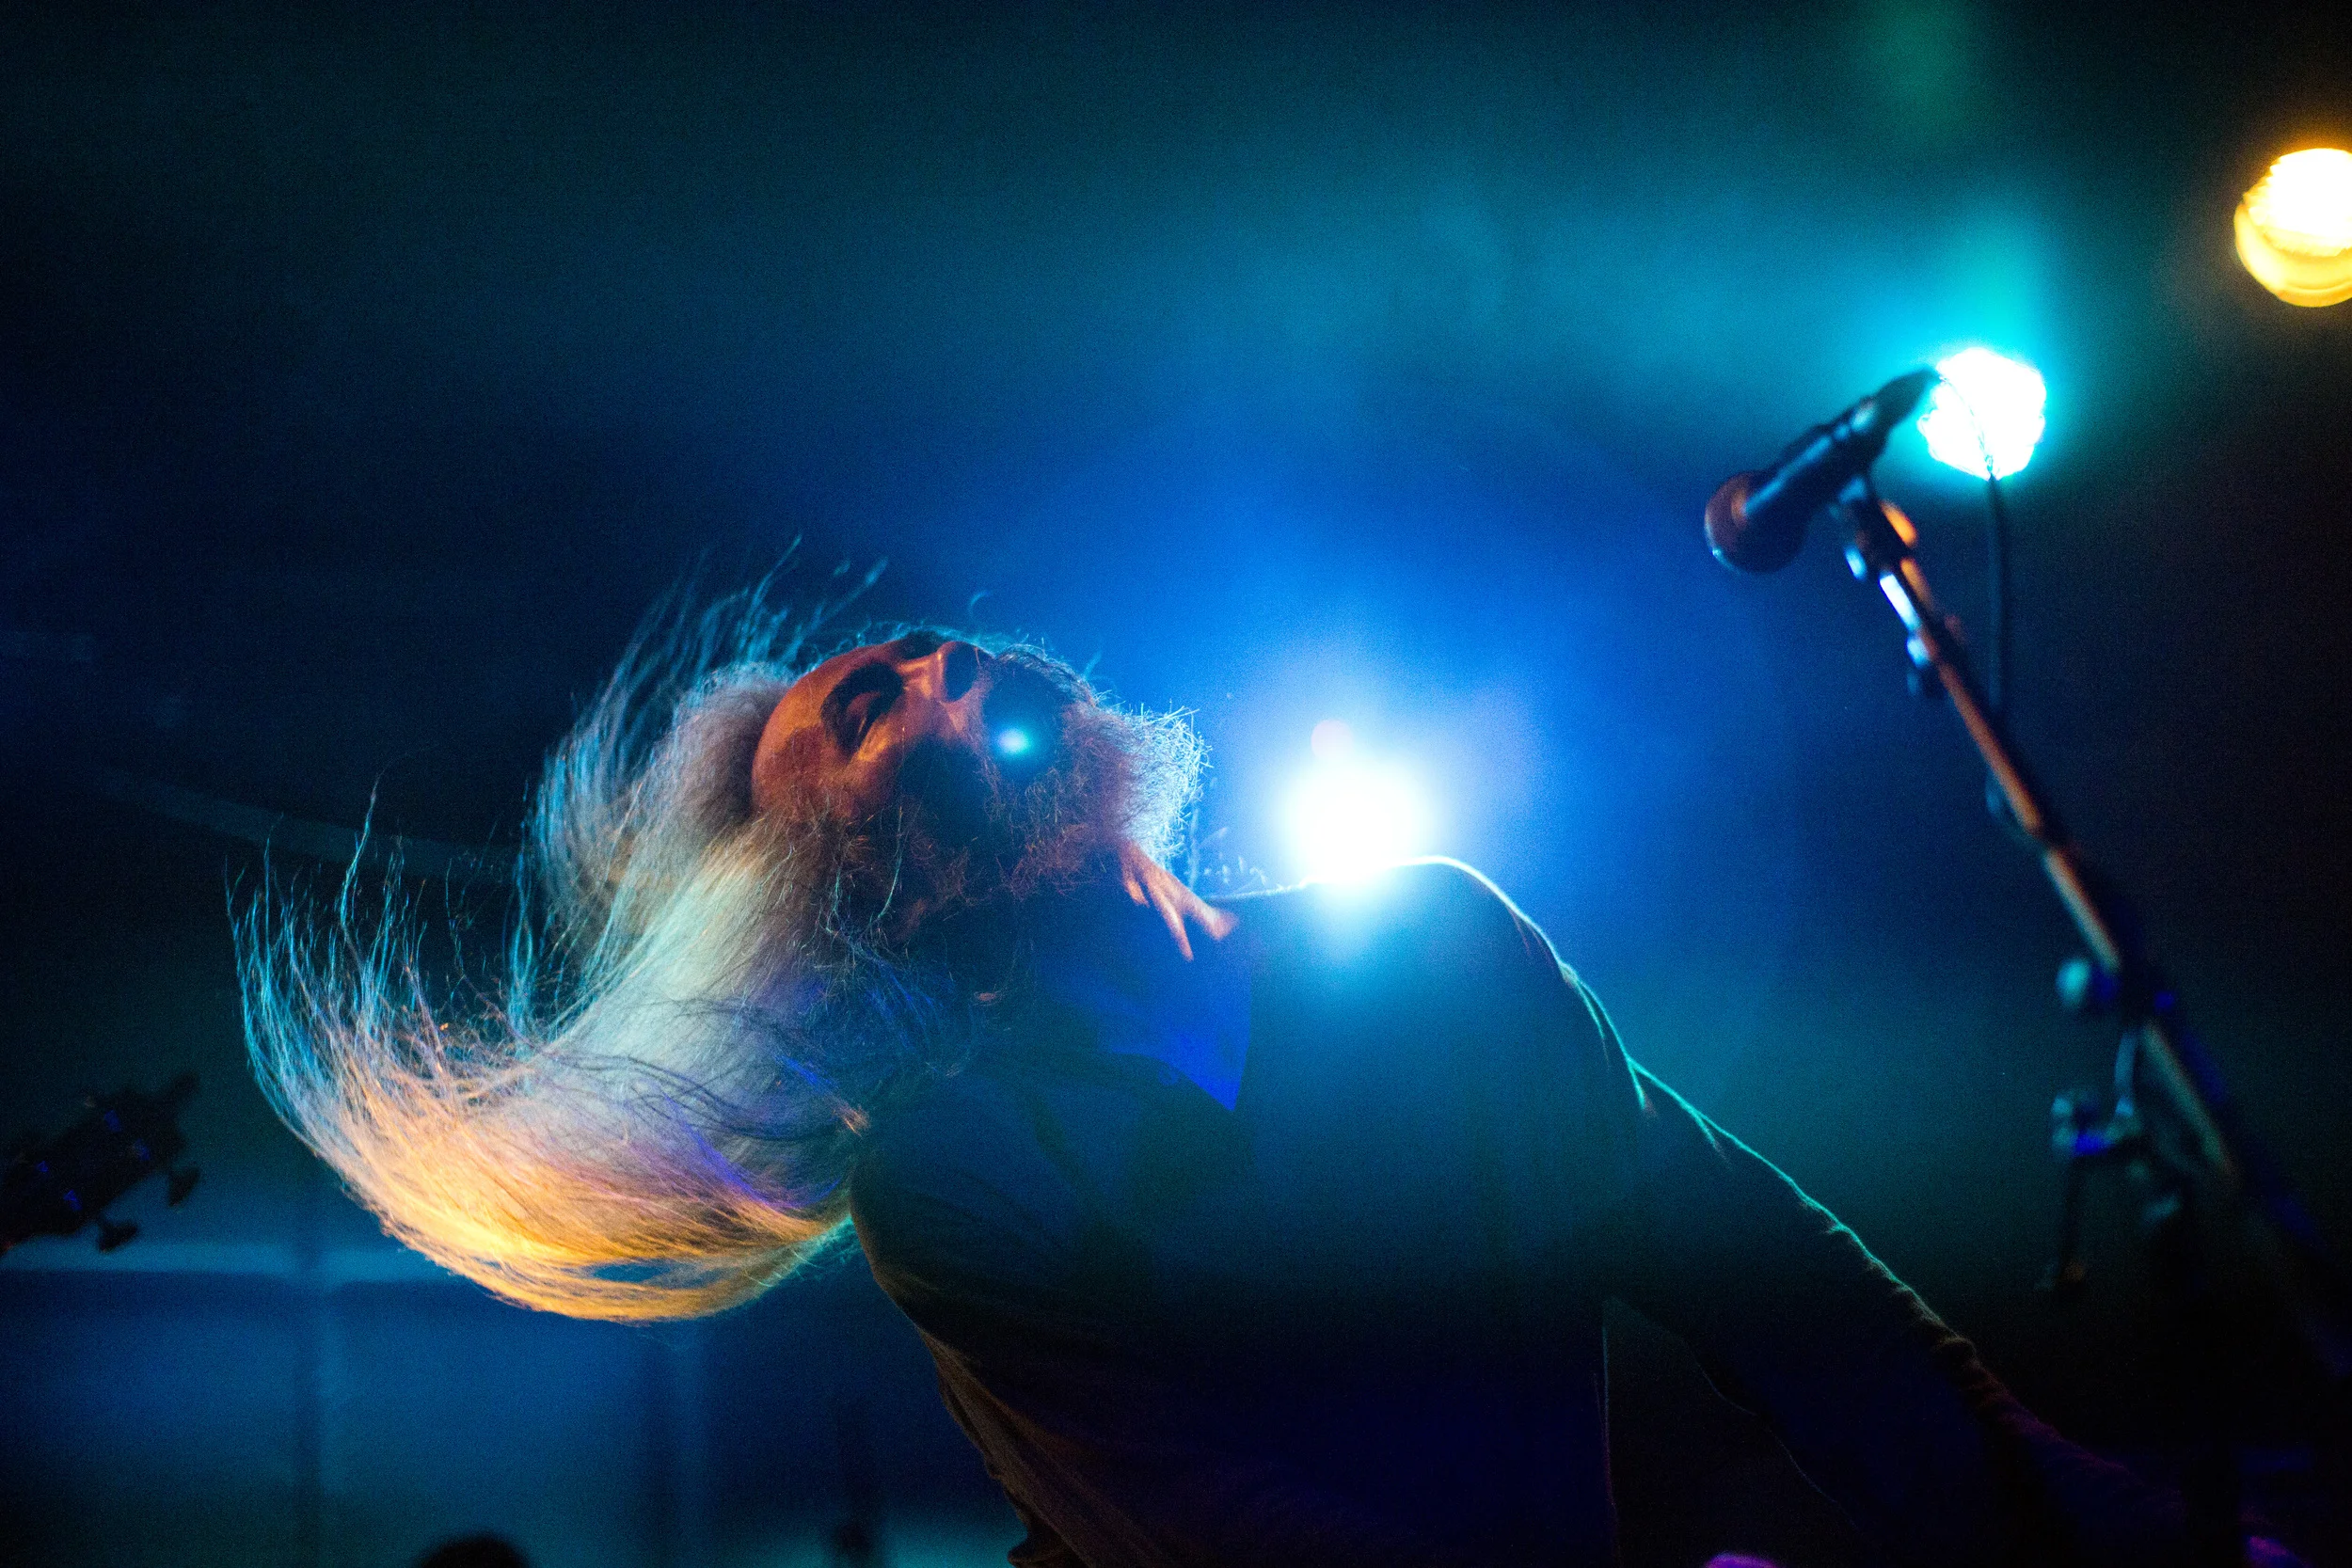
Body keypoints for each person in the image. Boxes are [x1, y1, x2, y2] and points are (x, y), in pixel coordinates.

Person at [242, 594, 2191, 1566]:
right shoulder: (958, 1178)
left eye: (928, 658)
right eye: (859, 712)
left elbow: (1772, 1279)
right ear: (847, 892)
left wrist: (2097, 1517)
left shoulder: (1428, 942)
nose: (929, 682)